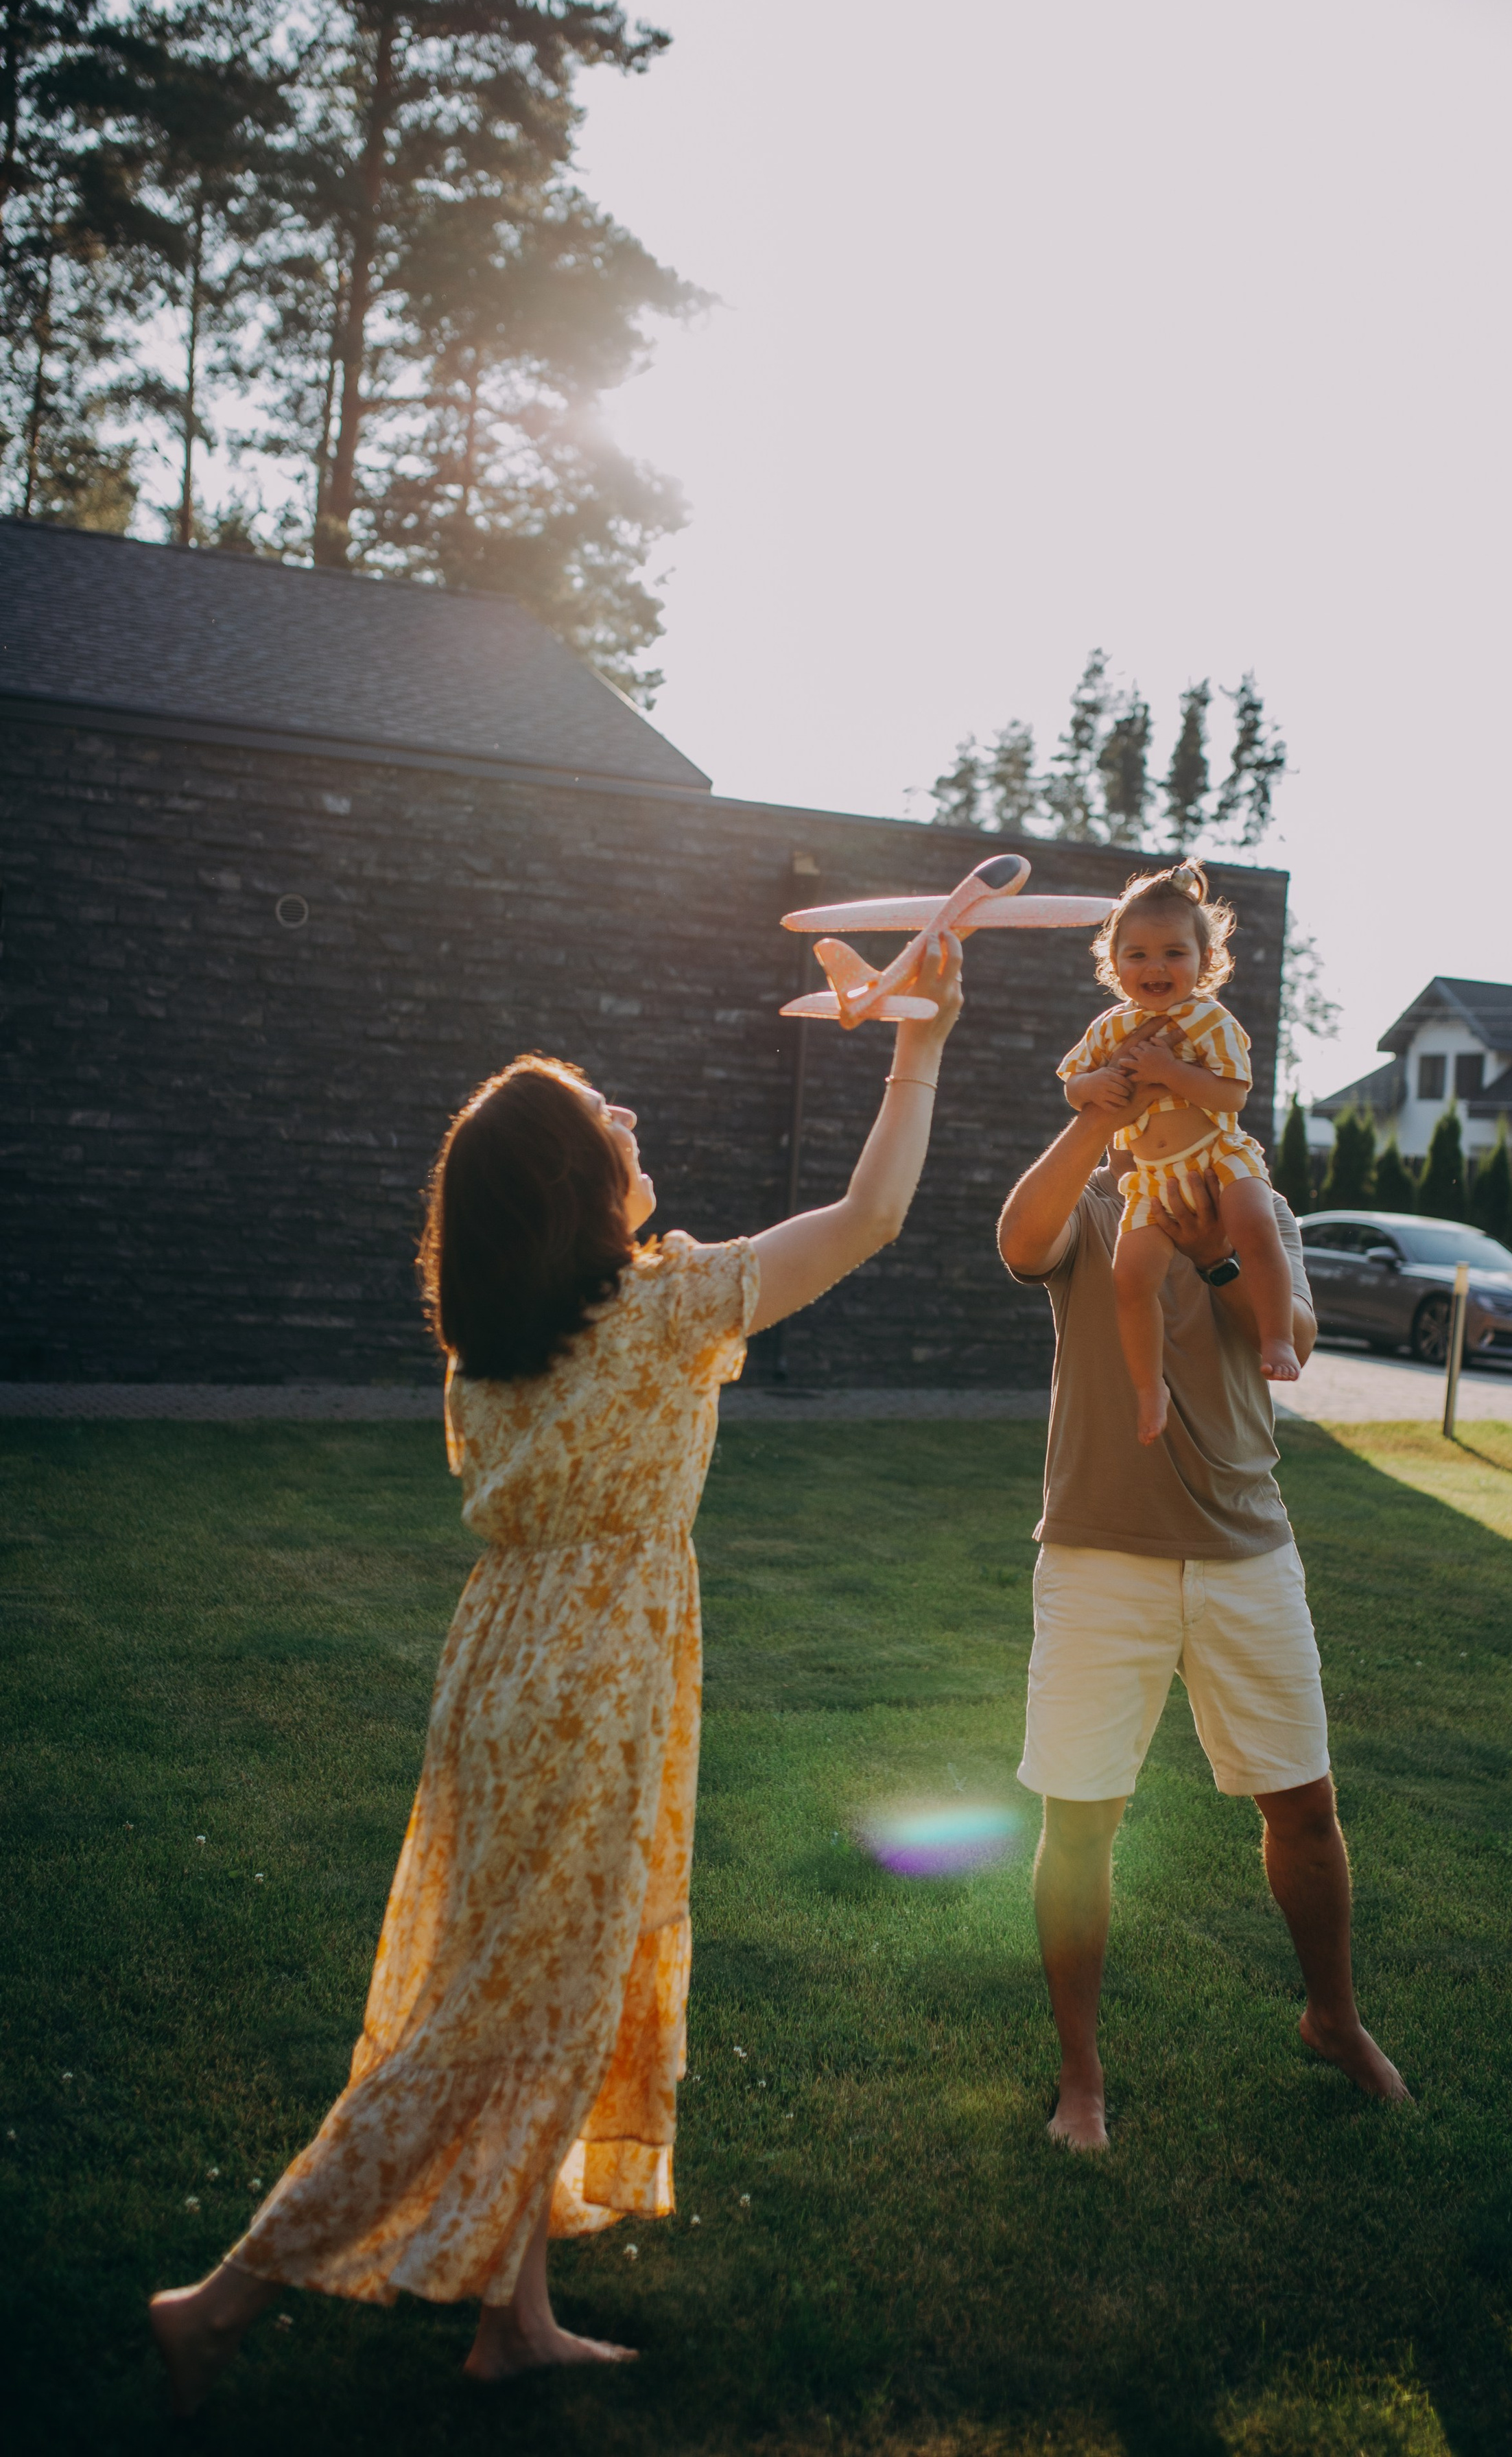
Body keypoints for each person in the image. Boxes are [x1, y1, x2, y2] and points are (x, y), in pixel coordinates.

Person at [149, 937, 964, 2414]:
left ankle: (512, 2319)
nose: (636, 1124)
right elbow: (872, 1214)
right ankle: (221, 2300)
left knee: (536, 1990)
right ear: (579, 1187)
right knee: (498, 2011)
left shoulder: (502, 1341)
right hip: (590, 1678)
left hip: (505, 1664)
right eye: (613, 1122)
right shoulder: (654, 1316)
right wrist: (918, 1046)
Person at [995, 1050, 1407, 2151]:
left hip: (1244, 1546)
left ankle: (1334, 2017)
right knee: (1080, 1817)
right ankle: (1080, 2077)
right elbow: (1016, 1241)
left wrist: (1225, 1260)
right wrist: (1091, 1121)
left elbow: (1297, 1344)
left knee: (1304, 1805)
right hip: (1098, 1551)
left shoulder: (1255, 1201)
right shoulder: (1090, 1198)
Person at [1059, 862, 1301, 1439]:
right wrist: (1094, 1087)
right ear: (1113, 964)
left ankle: (1278, 1336)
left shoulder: (1210, 1020)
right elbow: (1073, 1081)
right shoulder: (1109, 1029)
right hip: (1151, 1179)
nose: (1156, 967)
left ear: (1204, 961)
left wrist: (1168, 1070)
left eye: (1174, 952)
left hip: (1218, 1155)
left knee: (1252, 1223)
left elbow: (1233, 1093)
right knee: (1130, 1278)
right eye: (1137, 954)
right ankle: (1150, 1390)